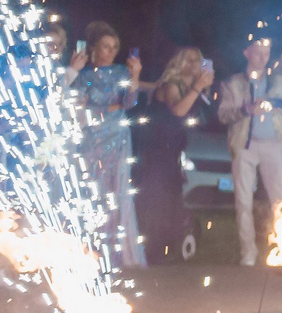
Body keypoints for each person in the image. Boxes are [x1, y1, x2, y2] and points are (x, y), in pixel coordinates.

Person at [67, 23, 145, 269]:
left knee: (119, 193)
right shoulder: (85, 76)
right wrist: (109, 108)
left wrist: (135, 76)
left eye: (114, 48)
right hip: (93, 140)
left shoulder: (122, 72)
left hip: (118, 139)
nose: (110, 52)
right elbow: (79, 109)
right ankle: (94, 253)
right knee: (96, 193)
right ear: (94, 48)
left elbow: (130, 102)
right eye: (105, 47)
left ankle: (123, 255)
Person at [218, 37, 282, 267]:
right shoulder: (233, 83)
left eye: (266, 53)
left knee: (280, 200)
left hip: (273, 145)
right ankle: (248, 254)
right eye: (258, 53)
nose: (263, 58)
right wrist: (246, 109)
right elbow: (223, 115)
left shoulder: (278, 81)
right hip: (246, 146)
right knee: (243, 201)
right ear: (247, 53)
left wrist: (276, 105)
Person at [135, 48, 215, 262]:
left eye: (198, 60)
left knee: (172, 198)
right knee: (159, 199)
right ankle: (153, 252)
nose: (194, 65)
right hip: (157, 151)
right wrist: (197, 88)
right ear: (178, 63)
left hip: (174, 150)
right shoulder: (172, 85)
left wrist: (201, 89)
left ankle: (168, 250)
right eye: (188, 60)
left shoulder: (190, 87)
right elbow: (178, 110)